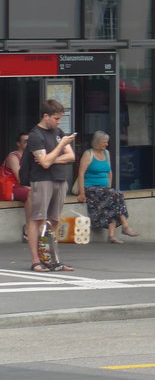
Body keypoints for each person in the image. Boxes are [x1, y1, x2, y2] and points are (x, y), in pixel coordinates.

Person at [26, 100, 77, 272]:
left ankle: (53, 259)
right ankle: (36, 260)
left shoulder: (59, 132)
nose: (59, 122)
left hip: (59, 179)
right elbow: (44, 164)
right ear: (45, 116)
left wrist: (51, 158)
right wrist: (61, 145)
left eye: (60, 118)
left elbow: (71, 157)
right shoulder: (35, 135)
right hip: (41, 179)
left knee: (54, 220)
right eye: (56, 118)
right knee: (38, 219)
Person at [76, 130, 139, 244]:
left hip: (105, 190)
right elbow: (81, 174)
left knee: (113, 200)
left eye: (107, 142)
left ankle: (111, 236)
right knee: (116, 195)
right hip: (91, 188)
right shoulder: (88, 154)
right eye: (104, 142)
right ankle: (125, 226)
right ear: (97, 142)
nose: (106, 144)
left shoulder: (106, 153)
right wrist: (82, 193)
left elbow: (109, 172)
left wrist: (109, 189)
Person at [2, 132, 31, 204]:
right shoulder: (13, 157)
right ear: (18, 143)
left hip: (23, 187)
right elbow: (20, 179)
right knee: (34, 193)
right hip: (11, 188)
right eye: (25, 141)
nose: (29, 143)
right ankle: (32, 216)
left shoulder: (31, 157)